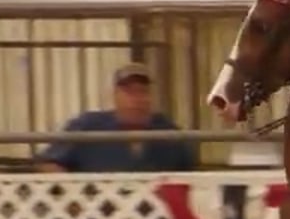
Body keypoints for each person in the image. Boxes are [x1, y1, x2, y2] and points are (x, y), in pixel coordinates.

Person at [36, 61, 198, 174]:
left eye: (143, 91)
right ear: (114, 95)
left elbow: (189, 175)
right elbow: (50, 163)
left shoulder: (168, 132)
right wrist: (75, 200)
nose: (137, 99)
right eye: (129, 91)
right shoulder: (88, 125)